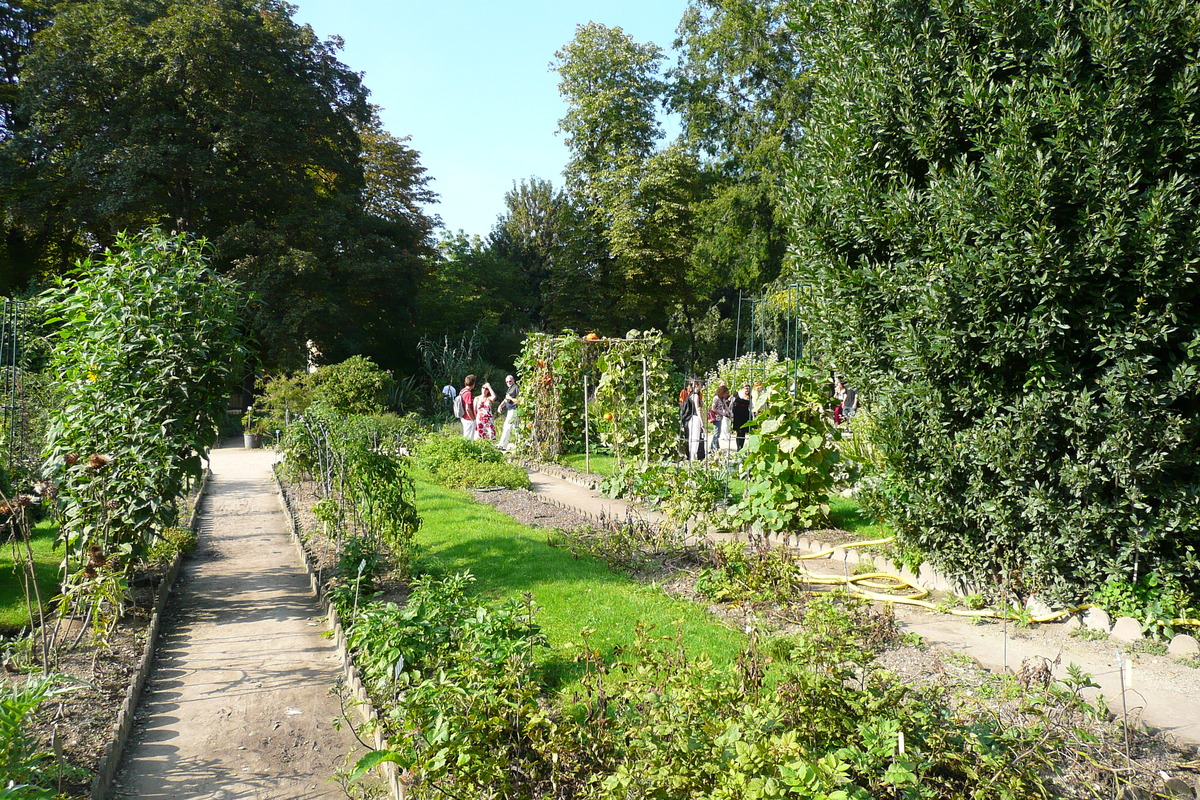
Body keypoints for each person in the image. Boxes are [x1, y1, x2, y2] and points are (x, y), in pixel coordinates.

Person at [685, 380, 705, 461]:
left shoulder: (690, 395)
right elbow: (698, 409)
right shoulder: (696, 396)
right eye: (700, 385)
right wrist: (702, 422)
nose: (701, 387)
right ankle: (694, 456)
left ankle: (691, 455)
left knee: (691, 437)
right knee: (696, 437)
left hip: (690, 418)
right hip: (696, 418)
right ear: (696, 385)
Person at [497, 374, 519, 449]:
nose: (509, 383)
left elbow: (519, 400)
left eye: (510, 381)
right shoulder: (510, 389)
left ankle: (502, 445)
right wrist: (500, 406)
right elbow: (506, 400)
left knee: (507, 426)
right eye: (507, 382)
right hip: (510, 410)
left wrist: (510, 398)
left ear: (513, 380)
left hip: (514, 409)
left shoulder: (516, 388)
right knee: (516, 428)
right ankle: (523, 444)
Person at [709, 382, 732, 453]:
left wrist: (730, 412)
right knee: (716, 433)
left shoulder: (722, 399)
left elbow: (725, 406)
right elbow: (713, 408)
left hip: (720, 417)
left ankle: (716, 447)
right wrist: (721, 413)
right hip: (716, 417)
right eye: (725, 393)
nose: (726, 395)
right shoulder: (716, 398)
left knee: (718, 433)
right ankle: (713, 447)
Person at [731, 383, 752, 451]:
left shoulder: (750, 396)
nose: (747, 390)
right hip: (738, 415)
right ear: (742, 388)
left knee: (744, 432)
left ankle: (742, 447)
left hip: (745, 414)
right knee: (739, 431)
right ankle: (738, 447)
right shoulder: (737, 394)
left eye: (748, 389)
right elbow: (732, 403)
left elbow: (751, 406)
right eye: (746, 388)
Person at [459, 374, 477, 439]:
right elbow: (468, 408)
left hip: (463, 416)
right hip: (468, 418)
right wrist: (473, 419)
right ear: (473, 383)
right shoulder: (468, 393)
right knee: (469, 437)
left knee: (466, 436)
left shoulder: (462, 391)